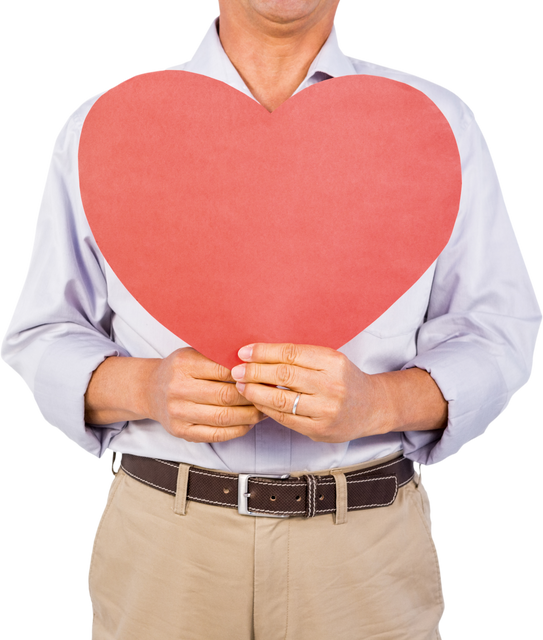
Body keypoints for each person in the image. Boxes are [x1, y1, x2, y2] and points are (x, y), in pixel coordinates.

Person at [1, 1, 541, 638]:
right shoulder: (104, 124)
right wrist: (143, 387)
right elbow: (42, 330)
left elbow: (498, 330)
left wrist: (379, 403)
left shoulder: (436, 122)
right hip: (163, 544)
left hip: (364, 550)